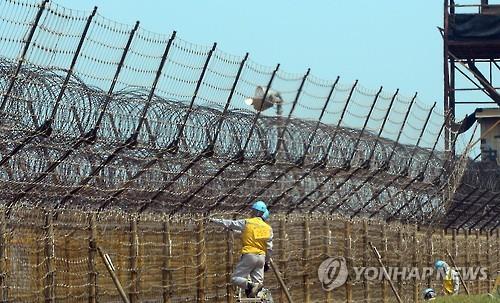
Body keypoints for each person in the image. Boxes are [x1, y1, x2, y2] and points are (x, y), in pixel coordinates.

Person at [210, 201, 273, 298]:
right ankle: (256, 293)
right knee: (258, 285)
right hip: (261, 257)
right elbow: (269, 247)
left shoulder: (247, 222)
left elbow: (230, 223)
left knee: (235, 278)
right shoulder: (267, 228)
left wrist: (213, 220)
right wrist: (266, 262)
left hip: (249, 255)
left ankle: (250, 285)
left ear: (254, 211)